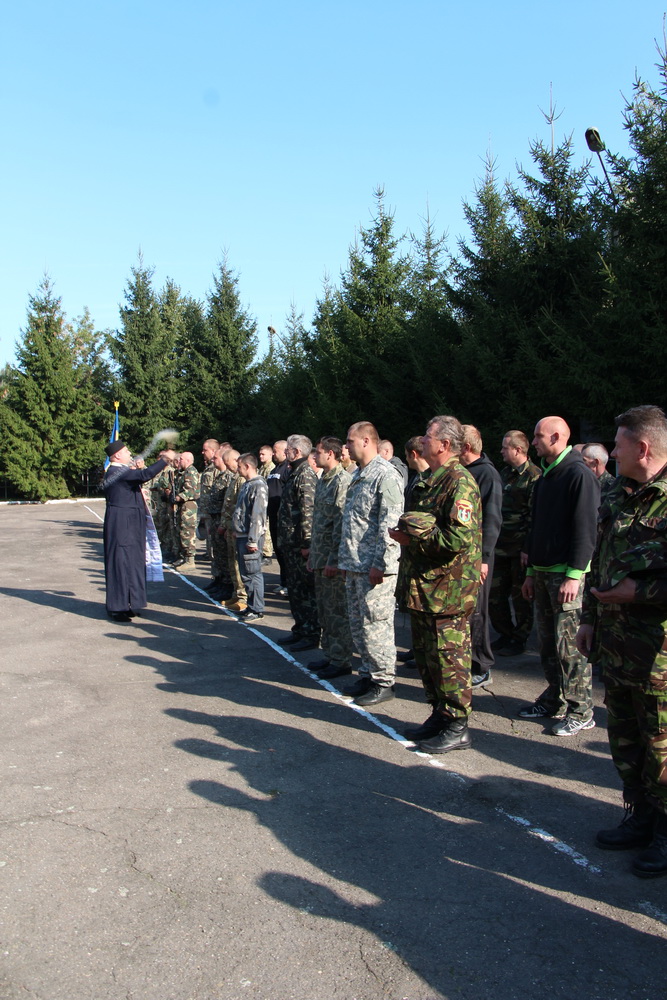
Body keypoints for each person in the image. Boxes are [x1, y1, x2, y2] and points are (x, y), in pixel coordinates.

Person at [577, 405, 667, 877]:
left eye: (619, 444)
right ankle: (641, 816)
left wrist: (641, 593)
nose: (612, 453)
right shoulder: (616, 491)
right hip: (615, 643)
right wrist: (589, 619)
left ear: (643, 447)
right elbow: (599, 558)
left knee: (662, 745)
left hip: (659, 655)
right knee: (625, 739)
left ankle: (665, 832)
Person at [390, 416, 482, 752]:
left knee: (449, 659)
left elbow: (457, 539)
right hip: (425, 589)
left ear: (444, 444)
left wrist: (414, 537)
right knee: (428, 658)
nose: (423, 440)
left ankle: (457, 724)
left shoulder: (460, 482)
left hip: (449, 592)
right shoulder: (430, 479)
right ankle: (440, 715)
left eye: (428, 436)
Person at [519, 416, 599, 735]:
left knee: (570, 648)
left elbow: (586, 528)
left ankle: (582, 710)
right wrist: (530, 572)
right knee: (548, 645)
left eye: (538, 437)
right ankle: (556, 699)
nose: (533, 443)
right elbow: (536, 525)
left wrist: (574, 575)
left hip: (565, 576)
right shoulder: (546, 476)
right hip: (542, 573)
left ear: (556, 437)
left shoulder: (578, 474)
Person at [339, 421, 403, 707]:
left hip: (374, 567)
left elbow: (391, 526)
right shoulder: (357, 475)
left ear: (366, 441)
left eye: (350, 441)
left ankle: (383, 681)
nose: (346, 446)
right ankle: (367, 674)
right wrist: (345, 559)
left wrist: (382, 564)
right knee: (359, 626)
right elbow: (353, 523)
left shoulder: (385, 475)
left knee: (376, 625)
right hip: (355, 564)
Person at [102, 440, 176, 621]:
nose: (130, 453)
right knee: (120, 563)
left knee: (133, 562)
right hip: (122, 524)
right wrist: (165, 459)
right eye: (126, 451)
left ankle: (130, 602)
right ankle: (117, 607)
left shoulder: (121, 471)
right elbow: (145, 475)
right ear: (117, 455)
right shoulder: (116, 471)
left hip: (131, 523)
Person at [489, 430, 541, 657]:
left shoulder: (534, 476)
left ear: (518, 450)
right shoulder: (505, 473)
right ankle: (505, 633)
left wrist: (528, 548)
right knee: (494, 595)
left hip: (519, 549)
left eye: (505, 447)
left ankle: (519, 638)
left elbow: (535, 517)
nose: (501, 451)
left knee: (521, 598)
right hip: (500, 547)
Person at [459, 425, 503, 688]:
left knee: (477, 611)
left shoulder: (487, 474)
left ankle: (481, 665)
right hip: (462, 556)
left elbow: (492, 519)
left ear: (466, 447)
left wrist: (484, 558)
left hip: (478, 557)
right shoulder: (463, 472)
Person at [308, 437, 354, 679]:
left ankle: (341, 659)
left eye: (318, 452)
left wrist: (333, 560)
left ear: (330, 454)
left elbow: (340, 524)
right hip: (319, 556)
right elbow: (319, 523)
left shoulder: (341, 481)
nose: (315, 456)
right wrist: (313, 554)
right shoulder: (323, 480)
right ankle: (329, 654)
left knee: (337, 611)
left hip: (331, 560)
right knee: (325, 610)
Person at [277, 434, 320, 650]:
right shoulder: (294, 472)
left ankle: (311, 633)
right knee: (295, 590)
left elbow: (308, 511)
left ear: (297, 451)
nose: (286, 453)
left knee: (305, 590)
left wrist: (307, 544)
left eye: (288, 449)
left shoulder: (305, 474)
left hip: (299, 544)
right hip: (290, 543)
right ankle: (300, 629)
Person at [232, 453, 269, 622]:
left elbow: (258, 515)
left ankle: (257, 609)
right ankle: (251, 606)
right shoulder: (247, 484)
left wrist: (253, 539)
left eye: (239, 466)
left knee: (252, 573)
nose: (237, 469)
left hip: (250, 536)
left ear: (247, 466)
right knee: (246, 574)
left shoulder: (258, 485)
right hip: (243, 534)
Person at [205, 447, 234, 600]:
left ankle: (227, 585)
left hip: (222, 519)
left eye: (215, 458)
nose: (212, 460)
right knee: (217, 552)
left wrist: (223, 523)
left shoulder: (229, 476)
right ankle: (220, 580)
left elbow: (228, 502)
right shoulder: (219, 475)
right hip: (215, 518)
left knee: (224, 553)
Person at [221, 449, 248, 613]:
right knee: (232, 562)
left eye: (228, 463)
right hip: (230, 526)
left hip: (237, 529)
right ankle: (236, 593)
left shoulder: (242, 479)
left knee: (239, 563)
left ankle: (243, 596)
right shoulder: (234, 478)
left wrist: (236, 528)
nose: (227, 466)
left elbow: (241, 506)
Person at [267, 440, 290, 596]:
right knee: (278, 550)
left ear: (285, 451)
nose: (274, 454)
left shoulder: (287, 469)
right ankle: (283, 582)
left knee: (284, 552)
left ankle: (288, 584)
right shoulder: (274, 469)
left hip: (282, 517)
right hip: (272, 516)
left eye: (276, 451)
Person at [172, 451, 200, 573]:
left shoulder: (191, 472)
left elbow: (191, 491)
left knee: (187, 532)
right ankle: (184, 557)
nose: (179, 461)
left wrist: (179, 497)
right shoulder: (183, 472)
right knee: (182, 531)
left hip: (188, 506)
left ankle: (190, 560)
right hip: (183, 506)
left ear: (188, 460)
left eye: (181, 459)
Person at [198, 438, 220, 559]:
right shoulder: (209, 468)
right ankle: (209, 554)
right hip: (206, 509)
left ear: (213, 451)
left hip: (213, 510)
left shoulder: (216, 468)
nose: (202, 452)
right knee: (208, 533)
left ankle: (213, 555)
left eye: (205, 450)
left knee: (213, 535)